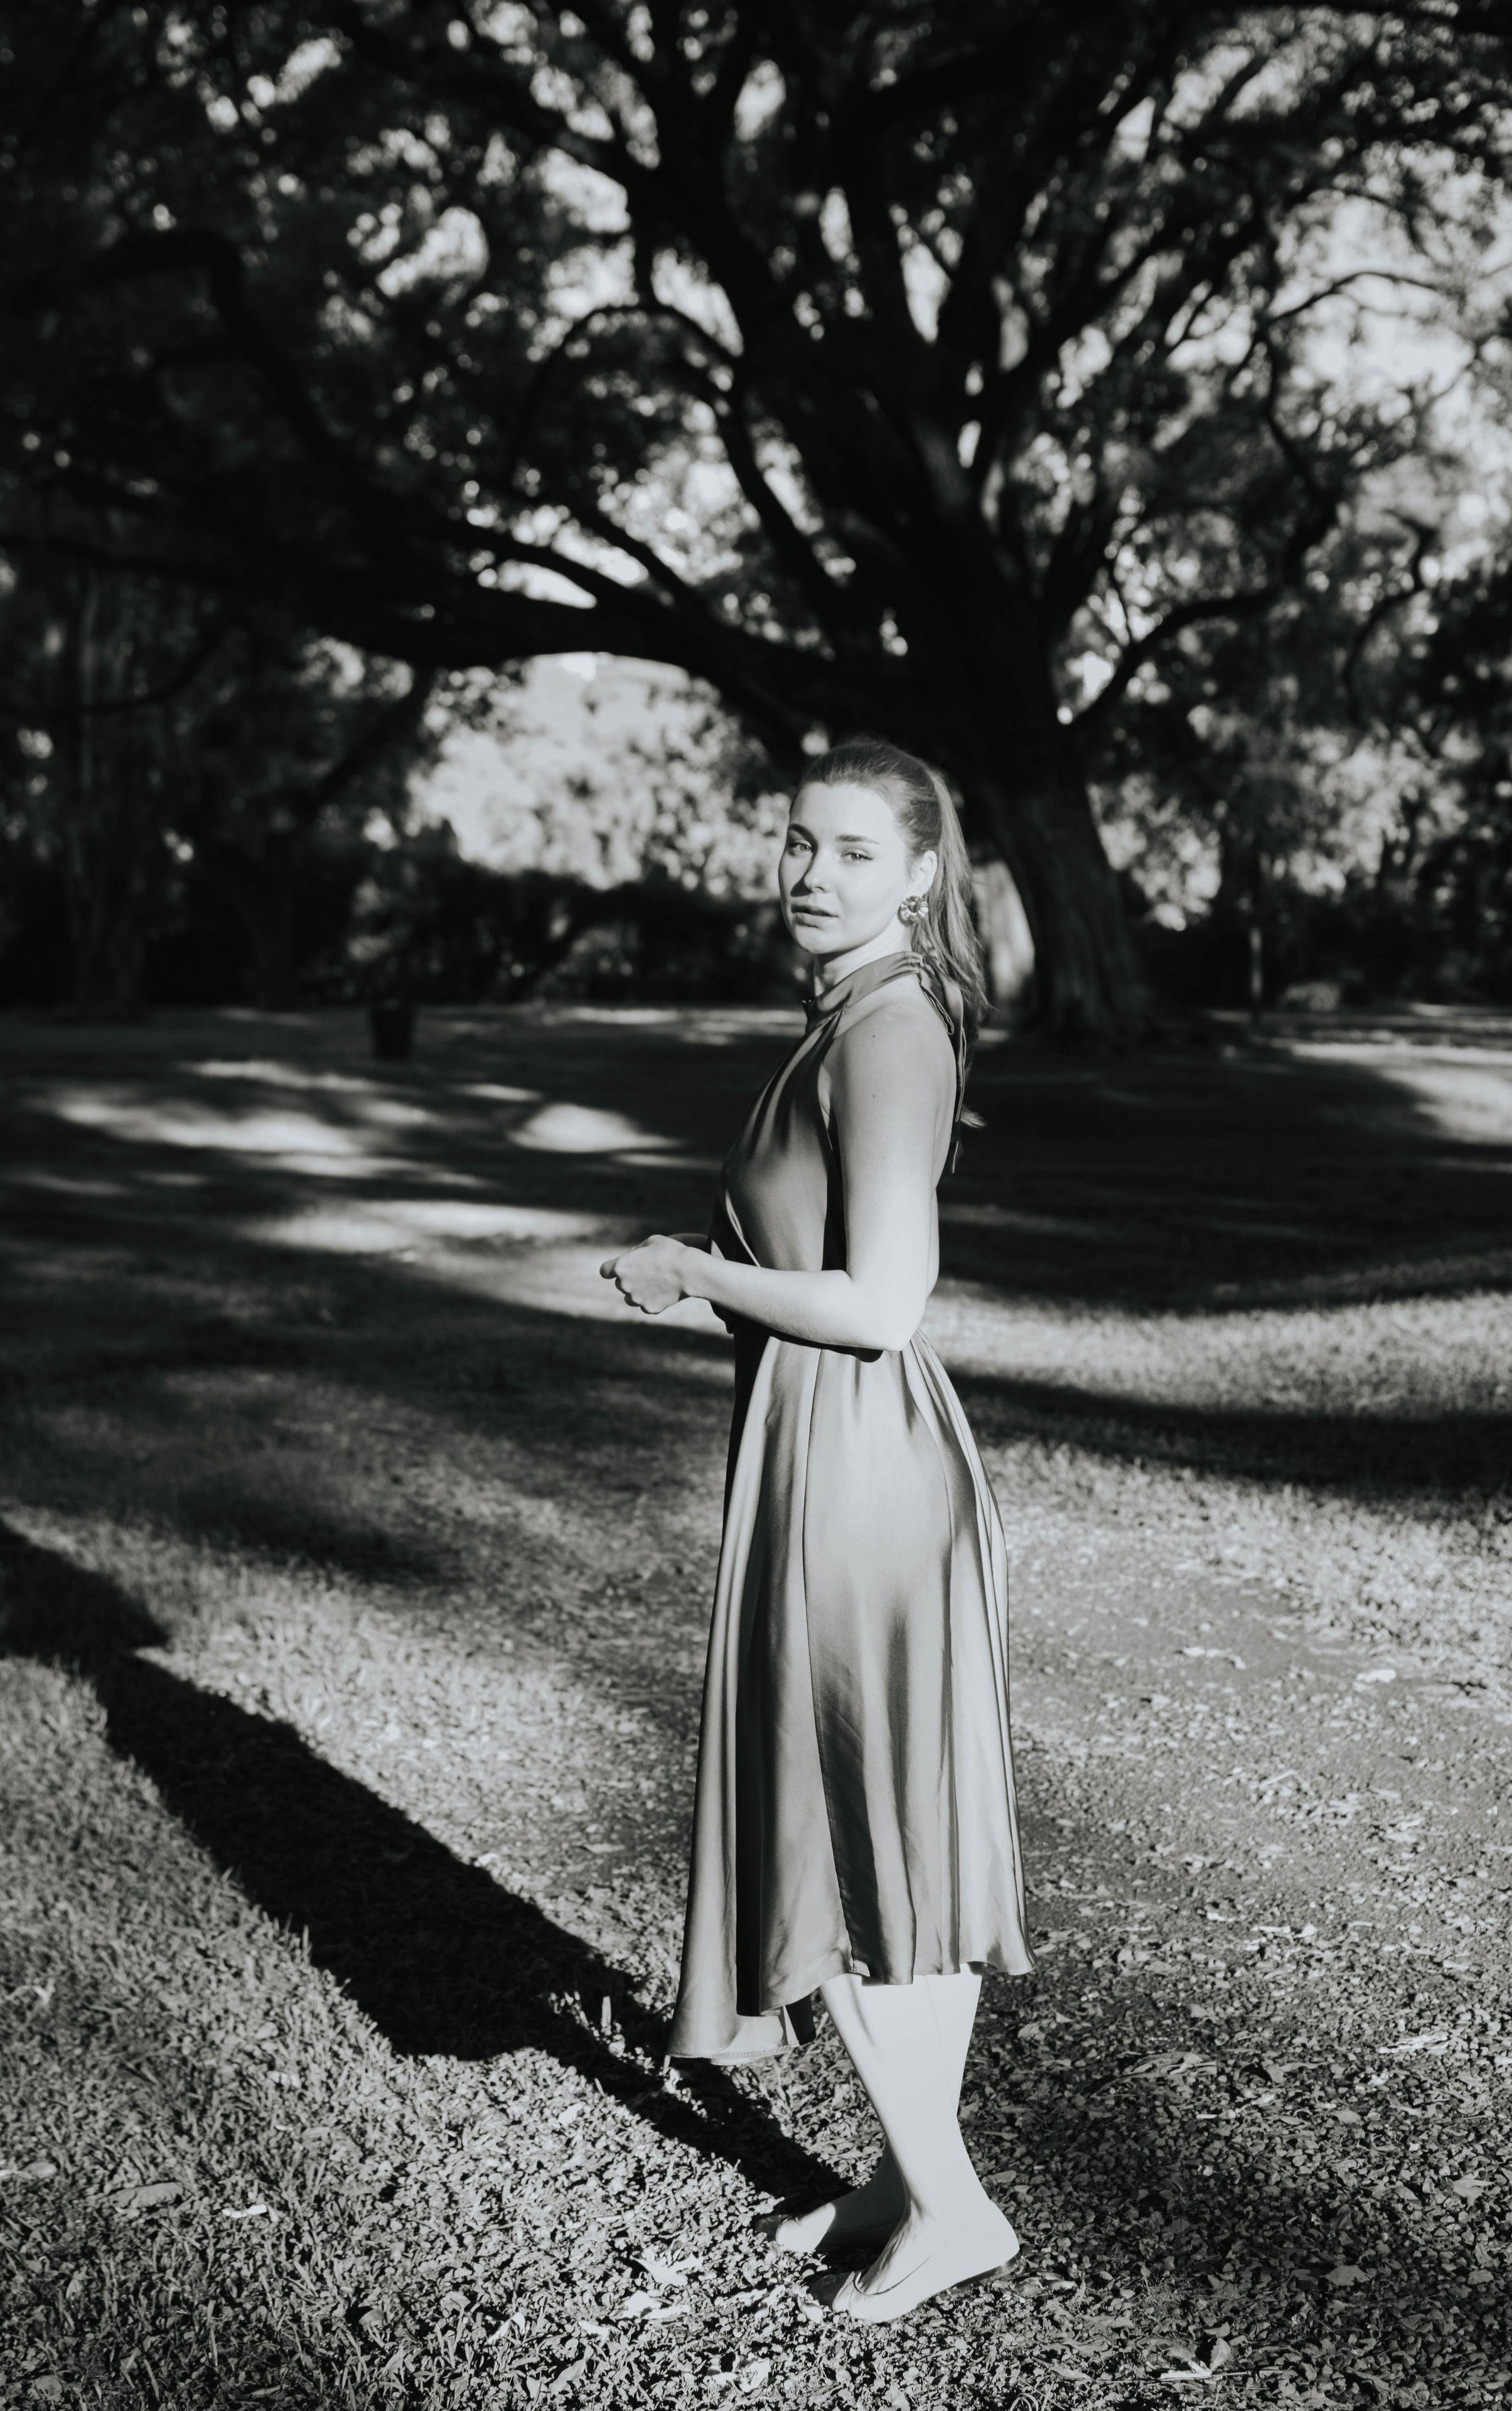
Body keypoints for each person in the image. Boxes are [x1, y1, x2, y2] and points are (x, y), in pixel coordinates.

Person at [600, 737, 1033, 2322]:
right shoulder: (851, 1014)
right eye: (797, 841)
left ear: (918, 875)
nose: (810, 872)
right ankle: (903, 2176)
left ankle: (954, 2208)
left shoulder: (889, 1029)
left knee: (841, 1843)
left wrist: (691, 1269)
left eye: (854, 852)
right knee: (879, 1837)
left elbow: (881, 1302)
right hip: (825, 1454)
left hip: (855, 1477)